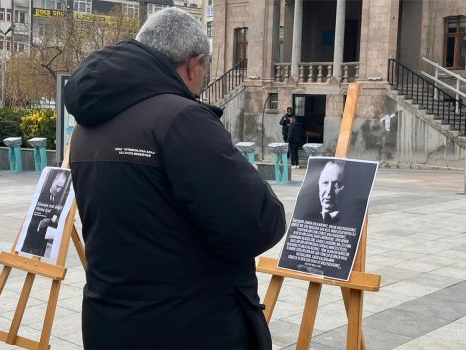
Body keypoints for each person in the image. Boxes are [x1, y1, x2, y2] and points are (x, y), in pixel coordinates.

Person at [63, 8, 286, 350]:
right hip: (191, 325)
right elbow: (255, 224)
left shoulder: (87, 125)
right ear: (193, 64)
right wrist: (248, 181)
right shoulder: (181, 118)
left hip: (109, 321)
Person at [21, 170, 70, 257]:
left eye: (61, 188)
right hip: (32, 242)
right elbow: (30, 220)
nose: (58, 190)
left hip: (46, 242)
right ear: (54, 180)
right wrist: (40, 224)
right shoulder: (42, 195)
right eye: (57, 186)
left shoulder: (59, 199)